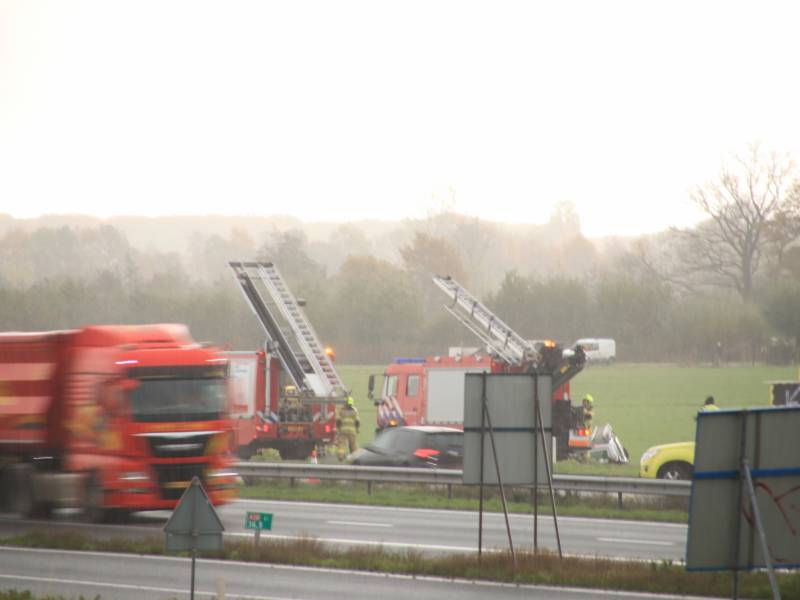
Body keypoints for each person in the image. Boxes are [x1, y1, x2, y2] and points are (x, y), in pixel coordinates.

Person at [336, 394, 360, 461]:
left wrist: (338, 429)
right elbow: (357, 421)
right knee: (353, 445)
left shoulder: (341, 410)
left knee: (341, 445)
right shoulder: (355, 411)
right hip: (352, 431)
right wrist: (357, 429)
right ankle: (355, 457)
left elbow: (338, 421)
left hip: (343, 431)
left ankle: (341, 456)